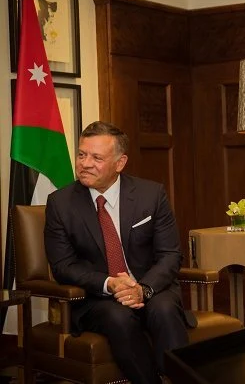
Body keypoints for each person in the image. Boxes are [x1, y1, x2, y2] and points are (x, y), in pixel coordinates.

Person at [44, 121, 188, 384]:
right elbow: (63, 266)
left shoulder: (151, 194)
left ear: (120, 163)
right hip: (97, 298)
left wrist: (142, 289)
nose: (85, 163)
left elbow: (170, 255)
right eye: (81, 154)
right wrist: (110, 284)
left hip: (148, 286)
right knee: (117, 316)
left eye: (96, 158)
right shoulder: (60, 204)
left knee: (165, 309)